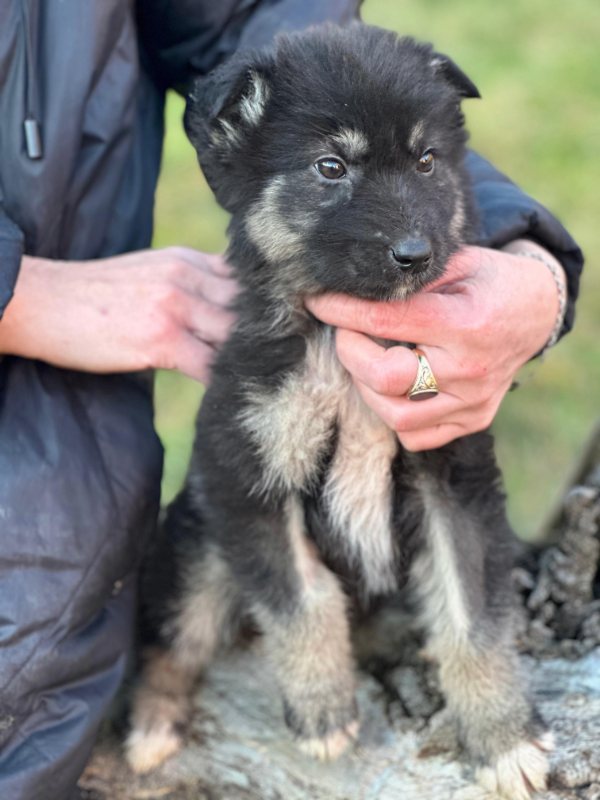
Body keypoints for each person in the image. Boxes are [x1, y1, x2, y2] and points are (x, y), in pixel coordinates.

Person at [0, 2, 583, 799]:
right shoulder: (267, 368)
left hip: (62, 627)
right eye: (332, 170)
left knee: (455, 488)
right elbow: (240, 511)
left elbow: (260, 22)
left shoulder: (422, 323)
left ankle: (480, 699)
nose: (410, 237)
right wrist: (22, 297)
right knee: (210, 533)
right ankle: (165, 680)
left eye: (424, 164)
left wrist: (530, 257)